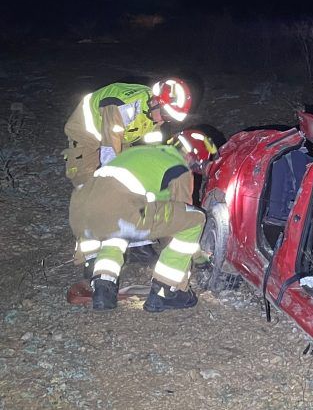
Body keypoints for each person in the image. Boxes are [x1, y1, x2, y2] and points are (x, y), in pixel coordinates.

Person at [69, 130, 217, 312]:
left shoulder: (140, 153)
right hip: (119, 211)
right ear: (194, 157)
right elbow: (180, 220)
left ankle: (103, 286)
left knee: (118, 229)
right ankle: (167, 290)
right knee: (195, 218)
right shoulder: (179, 168)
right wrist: (199, 258)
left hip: (79, 211)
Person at [63, 78, 193, 189]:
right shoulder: (123, 108)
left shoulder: (154, 114)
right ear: (154, 102)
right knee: (87, 184)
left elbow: (155, 146)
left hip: (121, 138)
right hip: (86, 135)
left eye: (169, 118)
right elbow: (110, 151)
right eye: (165, 115)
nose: (162, 121)